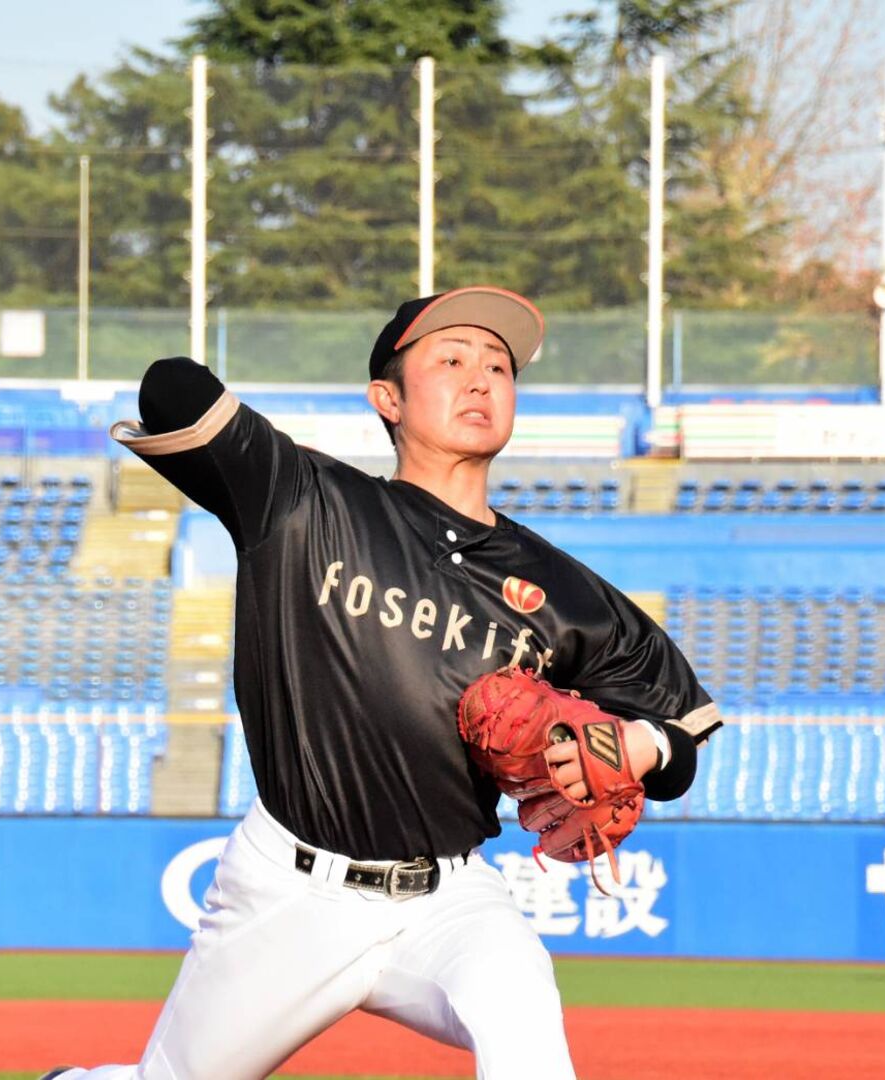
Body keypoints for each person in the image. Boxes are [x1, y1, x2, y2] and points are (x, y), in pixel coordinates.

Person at [50, 287, 718, 1080]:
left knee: (522, 1015)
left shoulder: (567, 596)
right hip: (289, 888)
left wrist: (640, 745)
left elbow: (678, 734)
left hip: (450, 898)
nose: (481, 378)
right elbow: (170, 387)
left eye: (499, 366)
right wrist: (254, 455)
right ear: (386, 399)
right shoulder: (302, 501)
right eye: (451, 360)